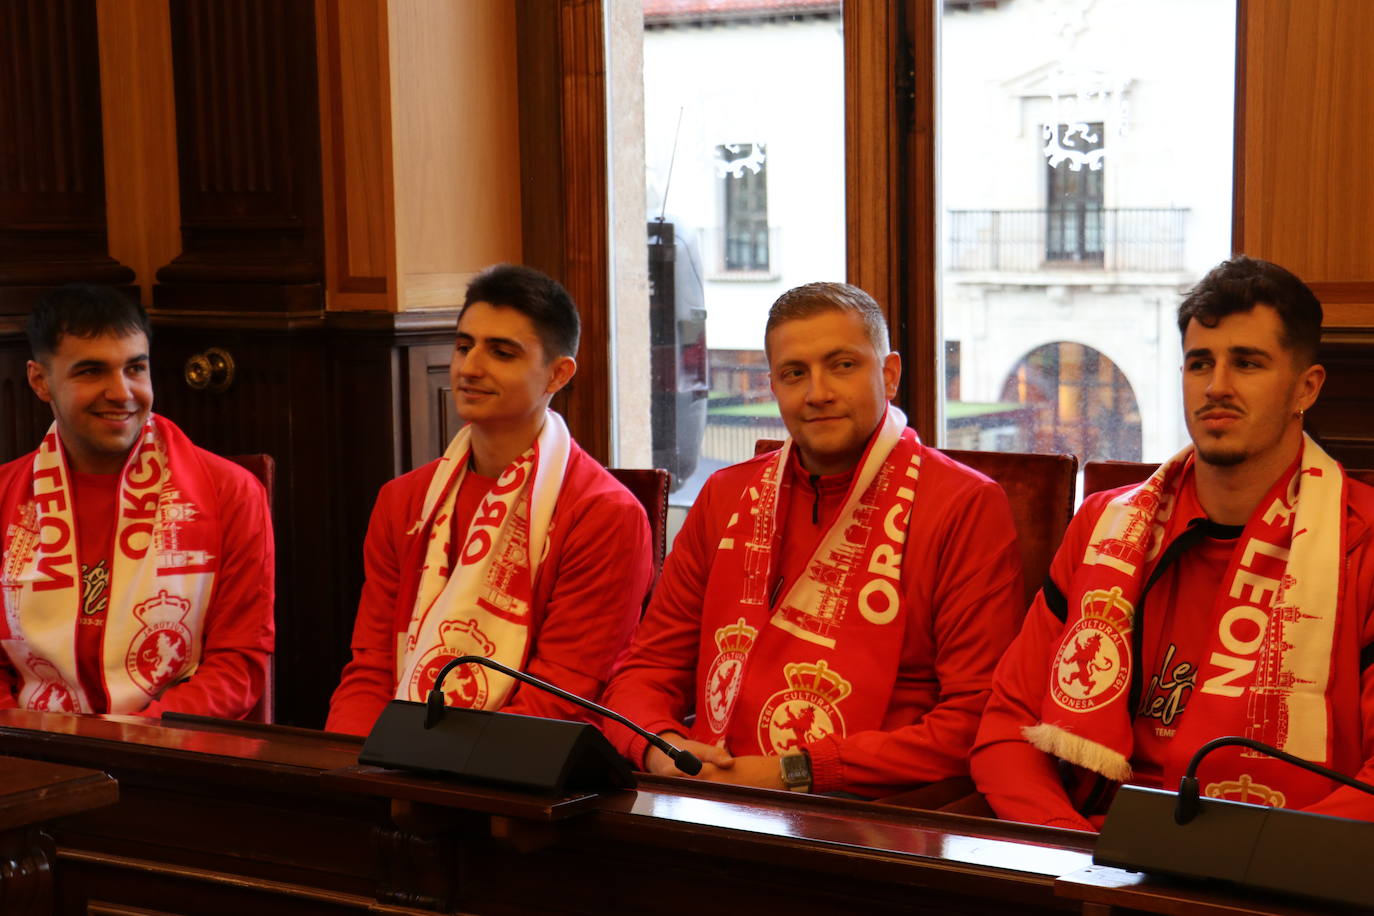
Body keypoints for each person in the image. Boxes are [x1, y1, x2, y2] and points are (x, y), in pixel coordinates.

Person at [972, 255, 1374, 829]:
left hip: (1273, 874)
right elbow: (1006, 725)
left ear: (1305, 389)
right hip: (1094, 852)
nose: (1217, 387)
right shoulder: (1102, 526)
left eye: (1248, 363)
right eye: (1199, 363)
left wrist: (1263, 863)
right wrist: (1078, 852)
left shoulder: (1364, 545)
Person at [600, 282, 1023, 797]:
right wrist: (660, 748)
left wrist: (794, 771)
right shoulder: (726, 495)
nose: (817, 393)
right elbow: (646, 670)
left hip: (874, 814)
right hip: (713, 791)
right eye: (794, 373)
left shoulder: (963, 504)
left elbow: (975, 718)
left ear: (889, 375)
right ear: (773, 386)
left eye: (843, 365)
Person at [326, 264, 653, 735]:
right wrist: (349, 769)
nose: (469, 367)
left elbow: (562, 700)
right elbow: (373, 670)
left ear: (558, 375)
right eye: (464, 346)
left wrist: (418, 770)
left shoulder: (605, 515)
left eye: (501, 352)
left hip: (529, 778)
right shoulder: (402, 502)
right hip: (394, 764)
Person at [0, 284, 274, 718]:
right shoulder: (4, 496)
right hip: (32, 752)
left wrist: (129, 741)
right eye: (91, 371)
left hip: (173, 752)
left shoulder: (231, 493)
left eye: (135, 368)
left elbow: (237, 667)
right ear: (40, 381)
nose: (121, 392)